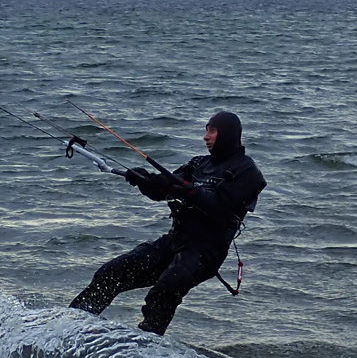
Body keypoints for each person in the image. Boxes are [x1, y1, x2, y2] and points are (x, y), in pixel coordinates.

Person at [69, 111, 266, 335]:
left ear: (228, 134)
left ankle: (146, 345)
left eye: (212, 130)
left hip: (205, 251)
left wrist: (186, 189)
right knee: (111, 273)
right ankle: (74, 326)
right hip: (174, 241)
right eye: (206, 130)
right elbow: (164, 190)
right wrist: (145, 180)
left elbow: (218, 206)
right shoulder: (199, 163)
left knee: (165, 289)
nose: (206, 136)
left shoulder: (247, 171)